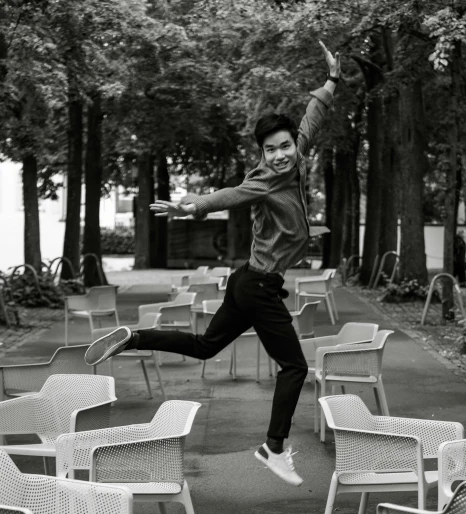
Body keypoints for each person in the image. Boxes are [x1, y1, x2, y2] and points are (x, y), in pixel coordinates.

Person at [84, 40, 341, 487]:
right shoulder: (263, 180)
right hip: (258, 285)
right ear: (261, 154)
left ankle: (135, 337)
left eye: (284, 147)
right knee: (295, 367)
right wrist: (192, 207)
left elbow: (311, 120)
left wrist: (332, 81)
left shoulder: (295, 159)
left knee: (205, 346)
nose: (279, 154)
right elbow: (230, 195)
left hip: (248, 282)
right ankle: (273, 448)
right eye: (270, 149)